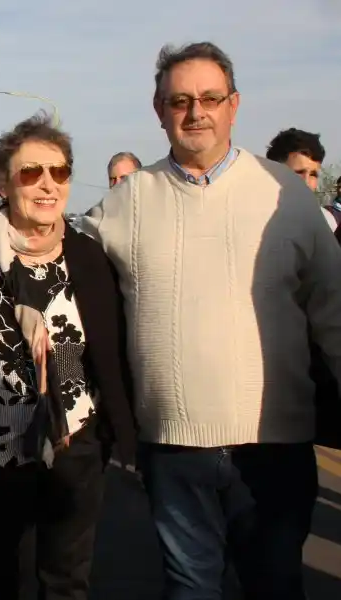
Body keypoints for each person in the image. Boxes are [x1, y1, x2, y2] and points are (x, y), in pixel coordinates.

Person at [81, 41, 341, 599]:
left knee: (274, 586)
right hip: (172, 449)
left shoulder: (284, 196)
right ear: (159, 110)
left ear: (234, 105)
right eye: (180, 100)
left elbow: (333, 311)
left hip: (274, 446)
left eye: (210, 98)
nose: (195, 112)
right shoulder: (128, 200)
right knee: (190, 589)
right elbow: (56, 254)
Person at [0, 115, 136, 600]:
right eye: (32, 173)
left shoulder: (89, 255)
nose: (48, 185)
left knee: (67, 579)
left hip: (76, 442)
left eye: (60, 172)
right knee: (3, 579)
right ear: (5, 182)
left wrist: (114, 431)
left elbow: (110, 351)